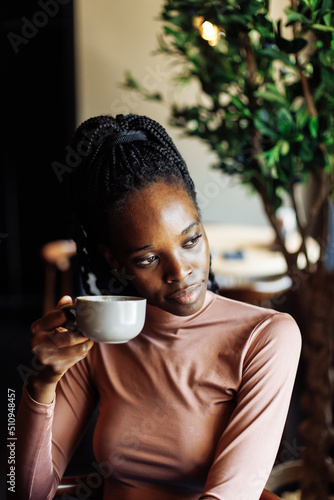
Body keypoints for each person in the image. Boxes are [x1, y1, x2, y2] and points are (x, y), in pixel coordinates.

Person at [13, 113, 301, 500]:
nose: (181, 272)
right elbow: (25, 491)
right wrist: (40, 383)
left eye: (191, 240)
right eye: (148, 259)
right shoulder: (96, 337)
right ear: (114, 260)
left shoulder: (265, 337)